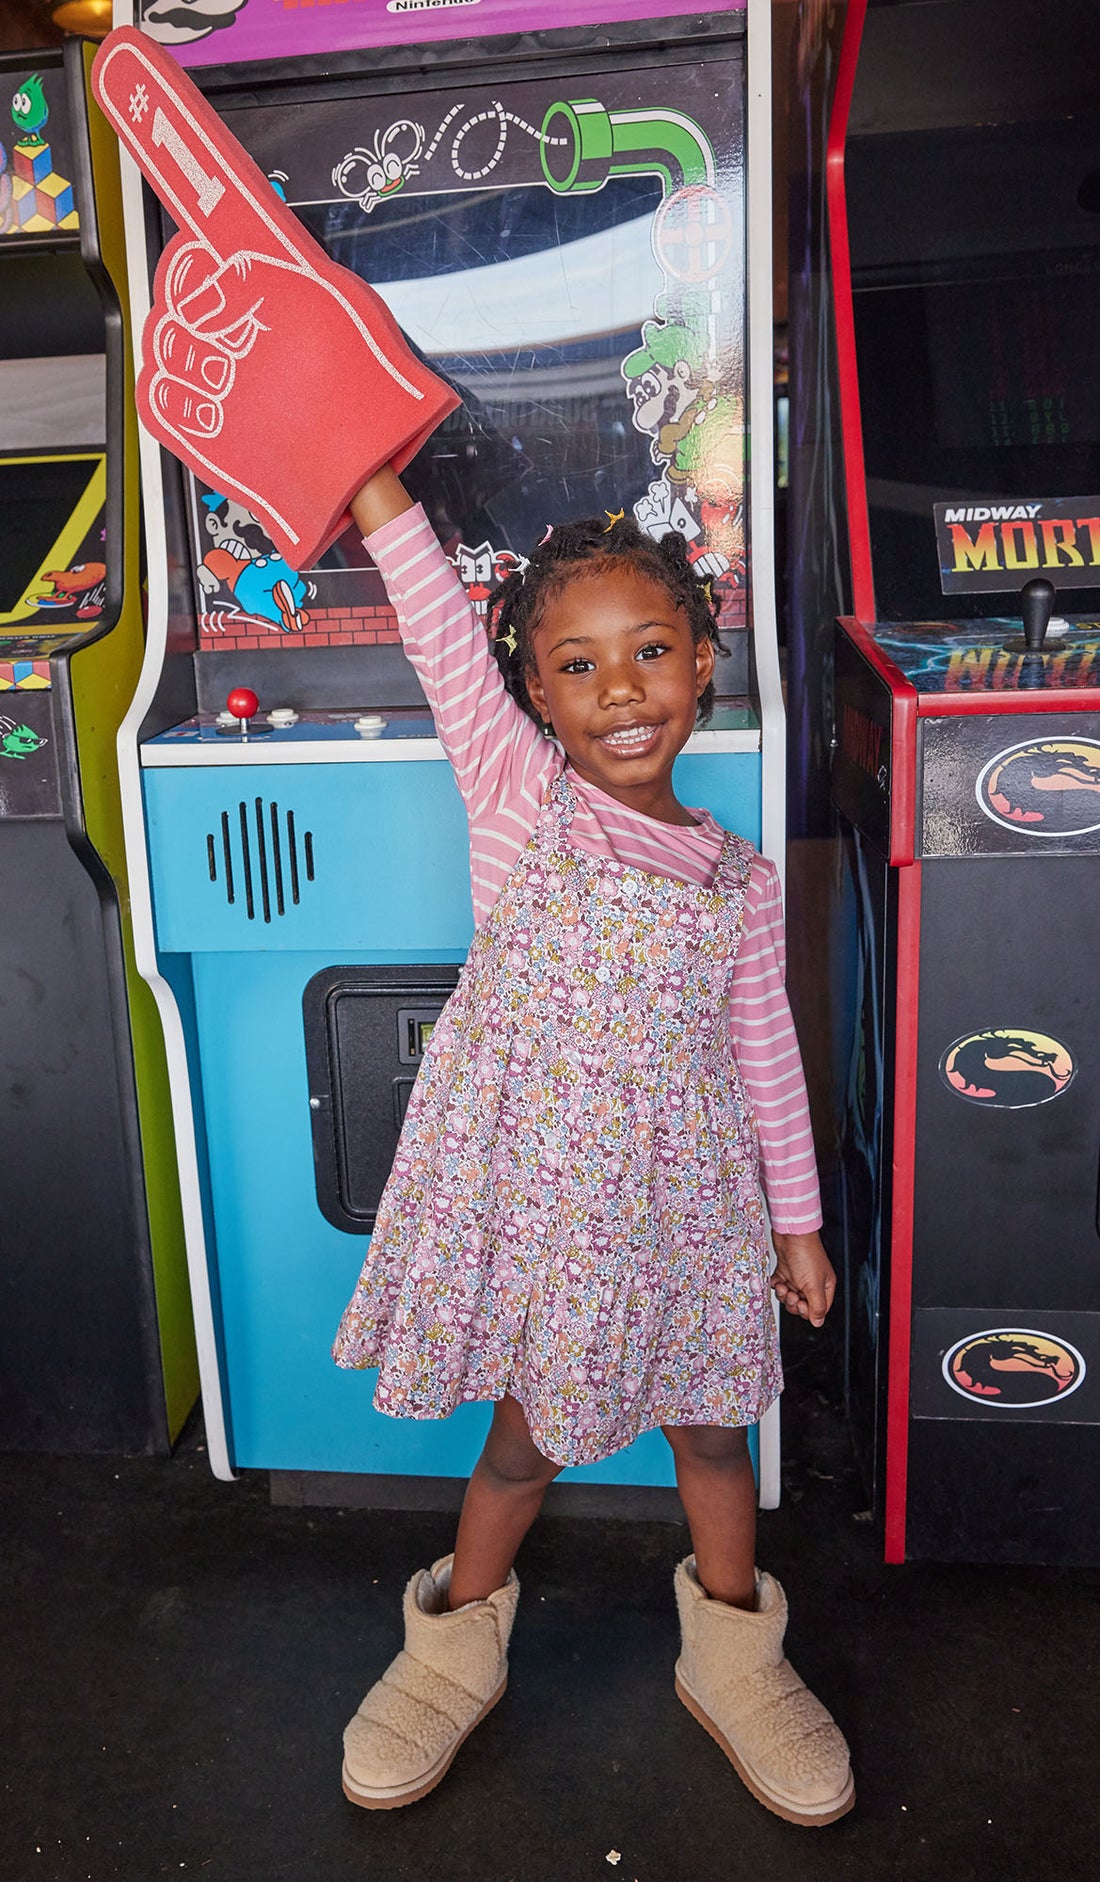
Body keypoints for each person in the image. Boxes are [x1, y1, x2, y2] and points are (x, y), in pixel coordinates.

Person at [331, 465, 854, 1827]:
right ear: (535, 697)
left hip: (693, 1218)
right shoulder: (515, 801)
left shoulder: (736, 878)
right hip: (554, 1221)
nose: (623, 690)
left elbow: (766, 1062)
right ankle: (452, 1638)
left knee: (717, 1436)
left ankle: (735, 1656)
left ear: (702, 661)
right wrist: (375, 483)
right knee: (520, 1446)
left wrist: (796, 1222)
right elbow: (438, 622)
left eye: (653, 652)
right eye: (580, 665)